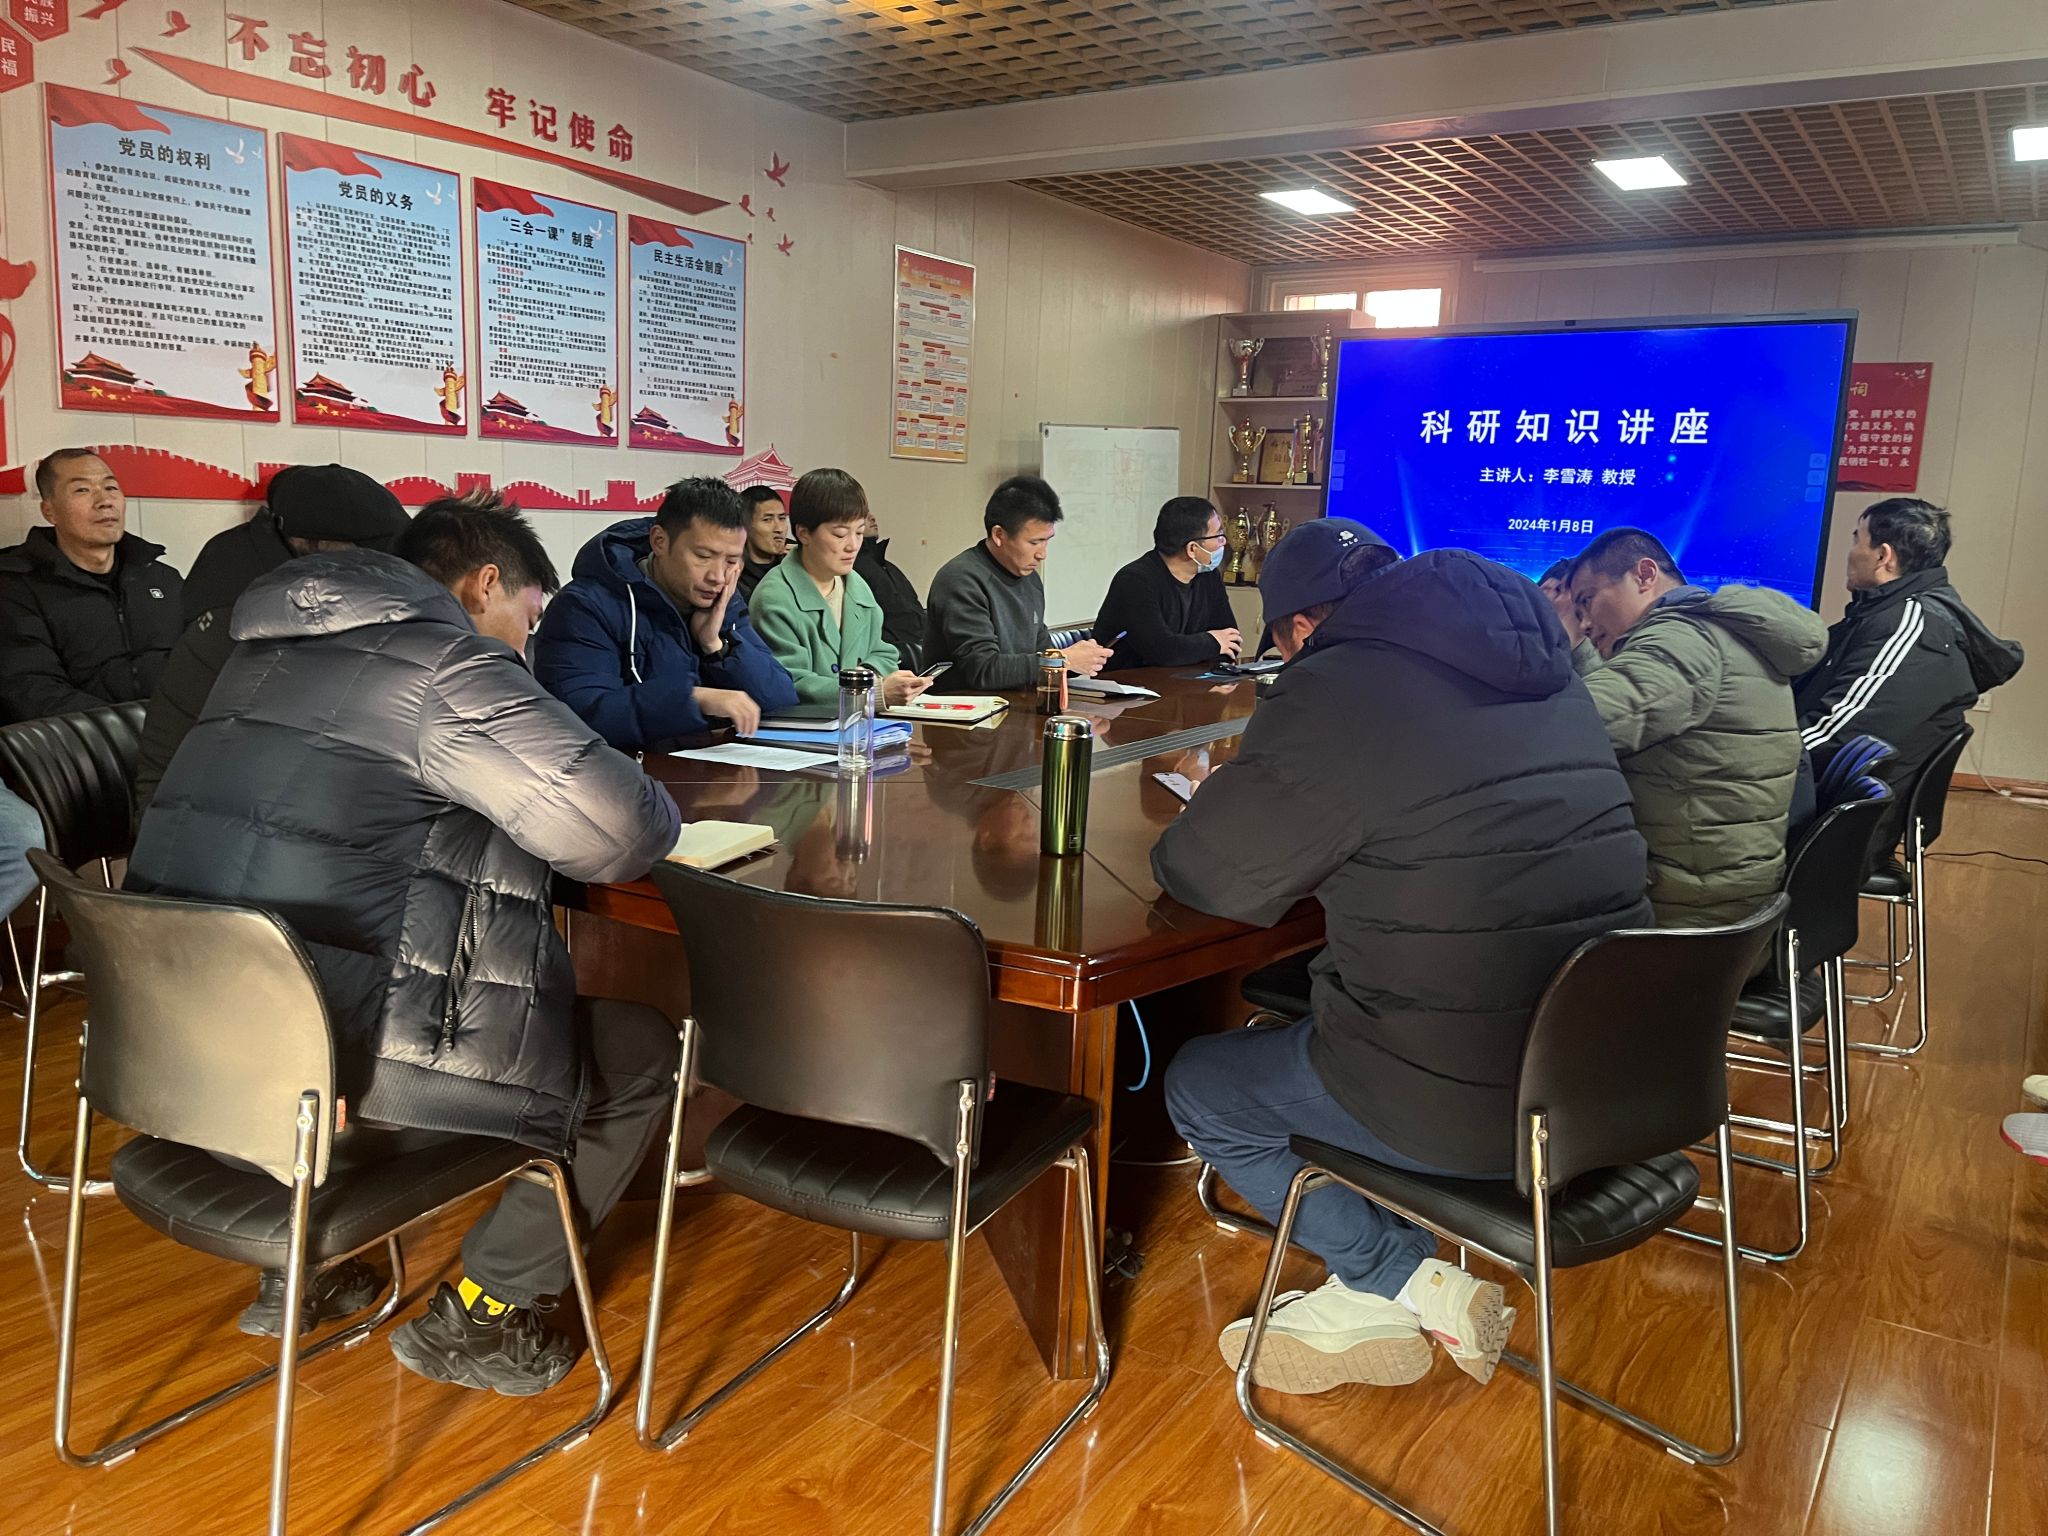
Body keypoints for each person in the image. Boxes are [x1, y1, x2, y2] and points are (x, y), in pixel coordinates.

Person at [127, 490, 682, 1393]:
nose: (526, 644)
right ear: (486, 585)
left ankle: (301, 1267)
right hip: (329, 1090)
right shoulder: (445, 665)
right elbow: (623, 832)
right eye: (528, 619)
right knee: (639, 1049)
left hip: (188, 1062)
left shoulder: (259, 658)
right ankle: (486, 1312)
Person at [1157, 520, 1652, 1394]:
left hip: (1469, 1102)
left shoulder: (1339, 685)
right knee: (1361, 999)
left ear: (1300, 629)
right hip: (1609, 1074)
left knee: (1203, 1085)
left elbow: (1209, 873)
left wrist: (1227, 795)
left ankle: (1394, 1276)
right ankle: (1380, 1289)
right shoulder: (1553, 674)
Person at [1566, 527, 1826, 926]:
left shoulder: (1682, 640)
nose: (1583, 623)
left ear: (1644, 575)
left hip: (1689, 913)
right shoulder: (1715, 633)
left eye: (1587, 600)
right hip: (1729, 895)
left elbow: (1574, 728)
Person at [132, 464, 411, 817]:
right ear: (315, 549)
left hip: (240, 811)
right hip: (196, 821)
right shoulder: (252, 617)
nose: (387, 579)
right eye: (375, 562)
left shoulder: (286, 590)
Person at [1796, 498, 2022, 840]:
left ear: (1883, 556)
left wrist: (1749, 757)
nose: (1851, 551)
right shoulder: (1883, 614)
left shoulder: (1911, 628)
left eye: (1857, 539)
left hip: (1830, 827)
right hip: (1823, 803)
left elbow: (1834, 734)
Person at [533, 477, 797, 751]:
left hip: (705, 769)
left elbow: (781, 700)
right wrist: (692, 700)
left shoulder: (722, 601)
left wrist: (716, 647)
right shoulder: (585, 606)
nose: (717, 576)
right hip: (622, 773)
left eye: (731, 560)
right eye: (703, 556)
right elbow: (581, 717)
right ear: (659, 541)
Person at [0, 449, 183, 723]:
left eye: (111, 488)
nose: (105, 501)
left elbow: (200, 664)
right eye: (82, 490)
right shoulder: (15, 585)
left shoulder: (162, 579)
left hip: (176, 738)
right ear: (50, 511)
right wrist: (130, 728)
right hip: (79, 744)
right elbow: (32, 689)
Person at [747, 468, 933, 709]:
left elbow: (883, 653)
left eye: (859, 532)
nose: (853, 545)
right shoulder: (775, 597)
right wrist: (868, 693)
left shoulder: (856, 586)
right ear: (803, 533)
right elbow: (791, 682)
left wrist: (865, 677)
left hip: (858, 722)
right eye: (840, 534)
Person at [925, 475, 1112, 690]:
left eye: (1046, 541)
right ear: (999, 535)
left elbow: (1040, 654)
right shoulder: (961, 580)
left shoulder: (1029, 579)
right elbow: (983, 670)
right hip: (966, 707)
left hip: (1019, 703)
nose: (1042, 554)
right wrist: (1063, 660)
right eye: (1034, 542)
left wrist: (1081, 660)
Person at [1091, 496, 1242, 671]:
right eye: (1218, 535)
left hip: (1186, 679)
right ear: (1192, 549)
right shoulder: (1135, 580)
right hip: (1127, 682)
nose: (1224, 542)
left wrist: (1200, 647)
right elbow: (1162, 650)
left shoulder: (1208, 576)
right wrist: (1212, 642)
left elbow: (1231, 641)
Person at [854, 507, 928, 669]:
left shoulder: (887, 566)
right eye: (864, 515)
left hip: (920, 652)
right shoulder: (854, 569)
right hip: (892, 659)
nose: (872, 518)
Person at [734, 483, 790, 602]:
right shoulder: (735, 576)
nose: (779, 528)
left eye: (782, 518)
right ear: (745, 525)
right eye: (767, 520)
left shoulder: (794, 564)